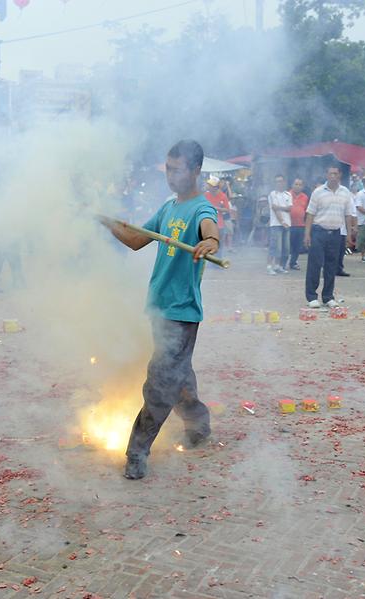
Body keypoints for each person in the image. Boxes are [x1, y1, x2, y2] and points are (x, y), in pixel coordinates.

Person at [101, 139, 219, 480]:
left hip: (181, 313)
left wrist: (210, 242)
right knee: (178, 376)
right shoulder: (169, 207)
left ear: (196, 171)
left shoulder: (201, 209)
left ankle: (136, 452)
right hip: (159, 308)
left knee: (160, 382)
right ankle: (198, 428)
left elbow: (211, 231)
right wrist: (108, 223)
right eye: (167, 168)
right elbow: (138, 240)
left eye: (177, 169)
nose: (170, 175)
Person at [304, 165, 354, 308]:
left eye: (335, 174)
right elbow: (310, 214)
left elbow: (348, 214)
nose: (333, 176)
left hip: (336, 233)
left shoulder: (345, 192)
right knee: (315, 264)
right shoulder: (318, 192)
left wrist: (349, 234)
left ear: (340, 175)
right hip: (318, 232)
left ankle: (328, 296)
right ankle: (312, 296)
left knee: (331, 266)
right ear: (326, 175)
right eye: (330, 173)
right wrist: (307, 234)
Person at [267, 175, 292, 274]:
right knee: (275, 247)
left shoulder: (288, 195)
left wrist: (279, 207)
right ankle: (269, 266)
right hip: (276, 224)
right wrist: (282, 221)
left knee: (285, 248)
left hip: (287, 224)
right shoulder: (272, 194)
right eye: (277, 181)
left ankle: (278, 266)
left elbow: (289, 208)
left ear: (284, 182)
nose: (279, 183)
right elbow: (274, 209)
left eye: (281, 181)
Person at [336, 183, 357, 277]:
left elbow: (353, 213)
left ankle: (339, 269)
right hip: (330, 227)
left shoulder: (346, 194)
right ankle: (329, 269)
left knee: (340, 251)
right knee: (330, 251)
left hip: (343, 228)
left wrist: (354, 227)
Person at [288, 178, 309, 270]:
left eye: (300, 185)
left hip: (300, 225)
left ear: (302, 187)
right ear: (292, 185)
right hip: (288, 225)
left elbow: (307, 211)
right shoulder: (287, 195)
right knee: (288, 245)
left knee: (297, 246)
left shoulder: (305, 197)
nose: (297, 186)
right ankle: (282, 263)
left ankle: (293, 262)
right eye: (296, 184)